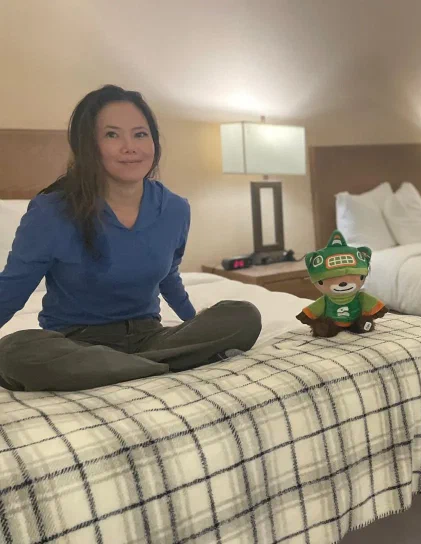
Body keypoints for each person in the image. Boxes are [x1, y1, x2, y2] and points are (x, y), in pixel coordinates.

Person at [0, 85, 262, 392]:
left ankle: (131, 368)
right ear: (88, 145)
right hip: (76, 344)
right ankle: (160, 367)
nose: (130, 147)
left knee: (243, 314)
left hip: (149, 336)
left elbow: (168, 274)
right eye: (112, 135)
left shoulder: (175, 208)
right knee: (14, 351)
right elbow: (11, 290)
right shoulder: (51, 211)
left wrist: (193, 324)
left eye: (140, 134)